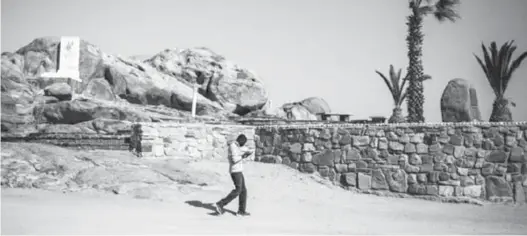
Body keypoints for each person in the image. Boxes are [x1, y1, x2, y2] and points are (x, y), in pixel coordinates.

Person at [214, 134, 253, 216]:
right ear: (240, 141)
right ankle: (221, 204)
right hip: (235, 171)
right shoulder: (233, 146)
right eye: (243, 143)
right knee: (238, 190)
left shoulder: (236, 146)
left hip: (238, 170)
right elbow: (235, 159)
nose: (244, 144)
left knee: (243, 190)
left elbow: (241, 151)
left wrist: (247, 152)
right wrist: (243, 156)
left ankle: (241, 211)